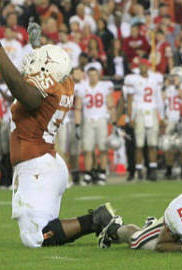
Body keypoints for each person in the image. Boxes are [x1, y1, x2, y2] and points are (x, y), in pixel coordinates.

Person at [1, 23, 115, 248]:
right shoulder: (65, 82)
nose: (33, 65)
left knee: (35, 238)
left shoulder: (40, 93)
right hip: (46, 163)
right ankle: (100, 222)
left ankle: (96, 220)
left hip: (37, 168)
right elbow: (47, 72)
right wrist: (36, 48)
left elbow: (25, 91)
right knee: (47, 227)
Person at [74, 67, 116, 185]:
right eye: (90, 75)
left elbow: (111, 105)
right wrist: (77, 125)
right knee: (88, 149)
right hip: (88, 120)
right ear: (87, 76)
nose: (93, 77)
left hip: (101, 119)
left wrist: (114, 123)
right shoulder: (82, 87)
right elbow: (78, 107)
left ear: (98, 76)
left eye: (95, 75)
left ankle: (102, 172)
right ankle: (88, 173)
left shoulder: (104, 86)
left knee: (103, 148)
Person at [127, 59, 164, 181]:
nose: (143, 67)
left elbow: (159, 99)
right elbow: (130, 100)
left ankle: (152, 170)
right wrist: (131, 117)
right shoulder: (134, 80)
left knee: (153, 144)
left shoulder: (155, 80)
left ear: (148, 66)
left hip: (152, 111)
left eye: (144, 65)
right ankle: (139, 169)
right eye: (141, 65)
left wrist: (161, 116)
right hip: (139, 112)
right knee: (139, 144)